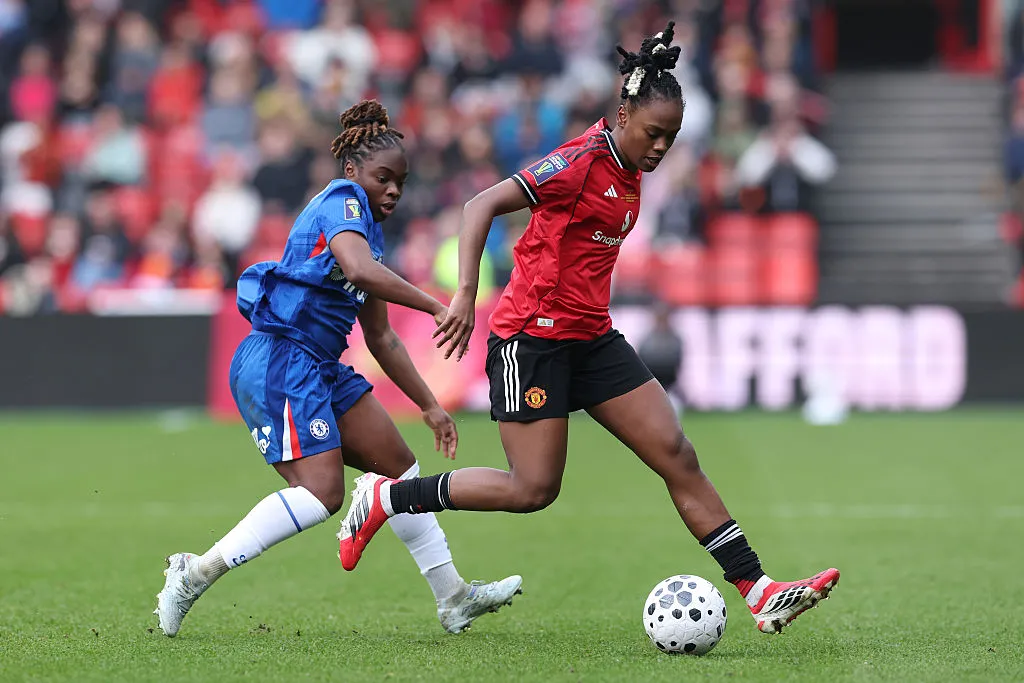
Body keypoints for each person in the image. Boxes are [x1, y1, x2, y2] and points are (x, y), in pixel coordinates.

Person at [337, 26, 839, 636]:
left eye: (671, 138)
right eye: (652, 134)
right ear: (622, 115)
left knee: (676, 452)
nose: (660, 148)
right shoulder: (578, 162)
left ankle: (757, 590)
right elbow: (479, 206)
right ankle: (388, 499)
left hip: (591, 335)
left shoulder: (631, 168)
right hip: (532, 336)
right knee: (533, 488)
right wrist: (466, 294)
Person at [155, 100, 522, 638]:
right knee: (322, 493)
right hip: (280, 359)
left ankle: (453, 599)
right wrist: (437, 304)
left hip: (319, 365)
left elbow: (380, 336)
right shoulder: (340, 201)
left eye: (401, 180)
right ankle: (196, 571)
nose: (393, 189)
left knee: (399, 468)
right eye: (384, 178)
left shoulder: (368, 234)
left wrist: (430, 405)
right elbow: (357, 270)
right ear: (352, 171)